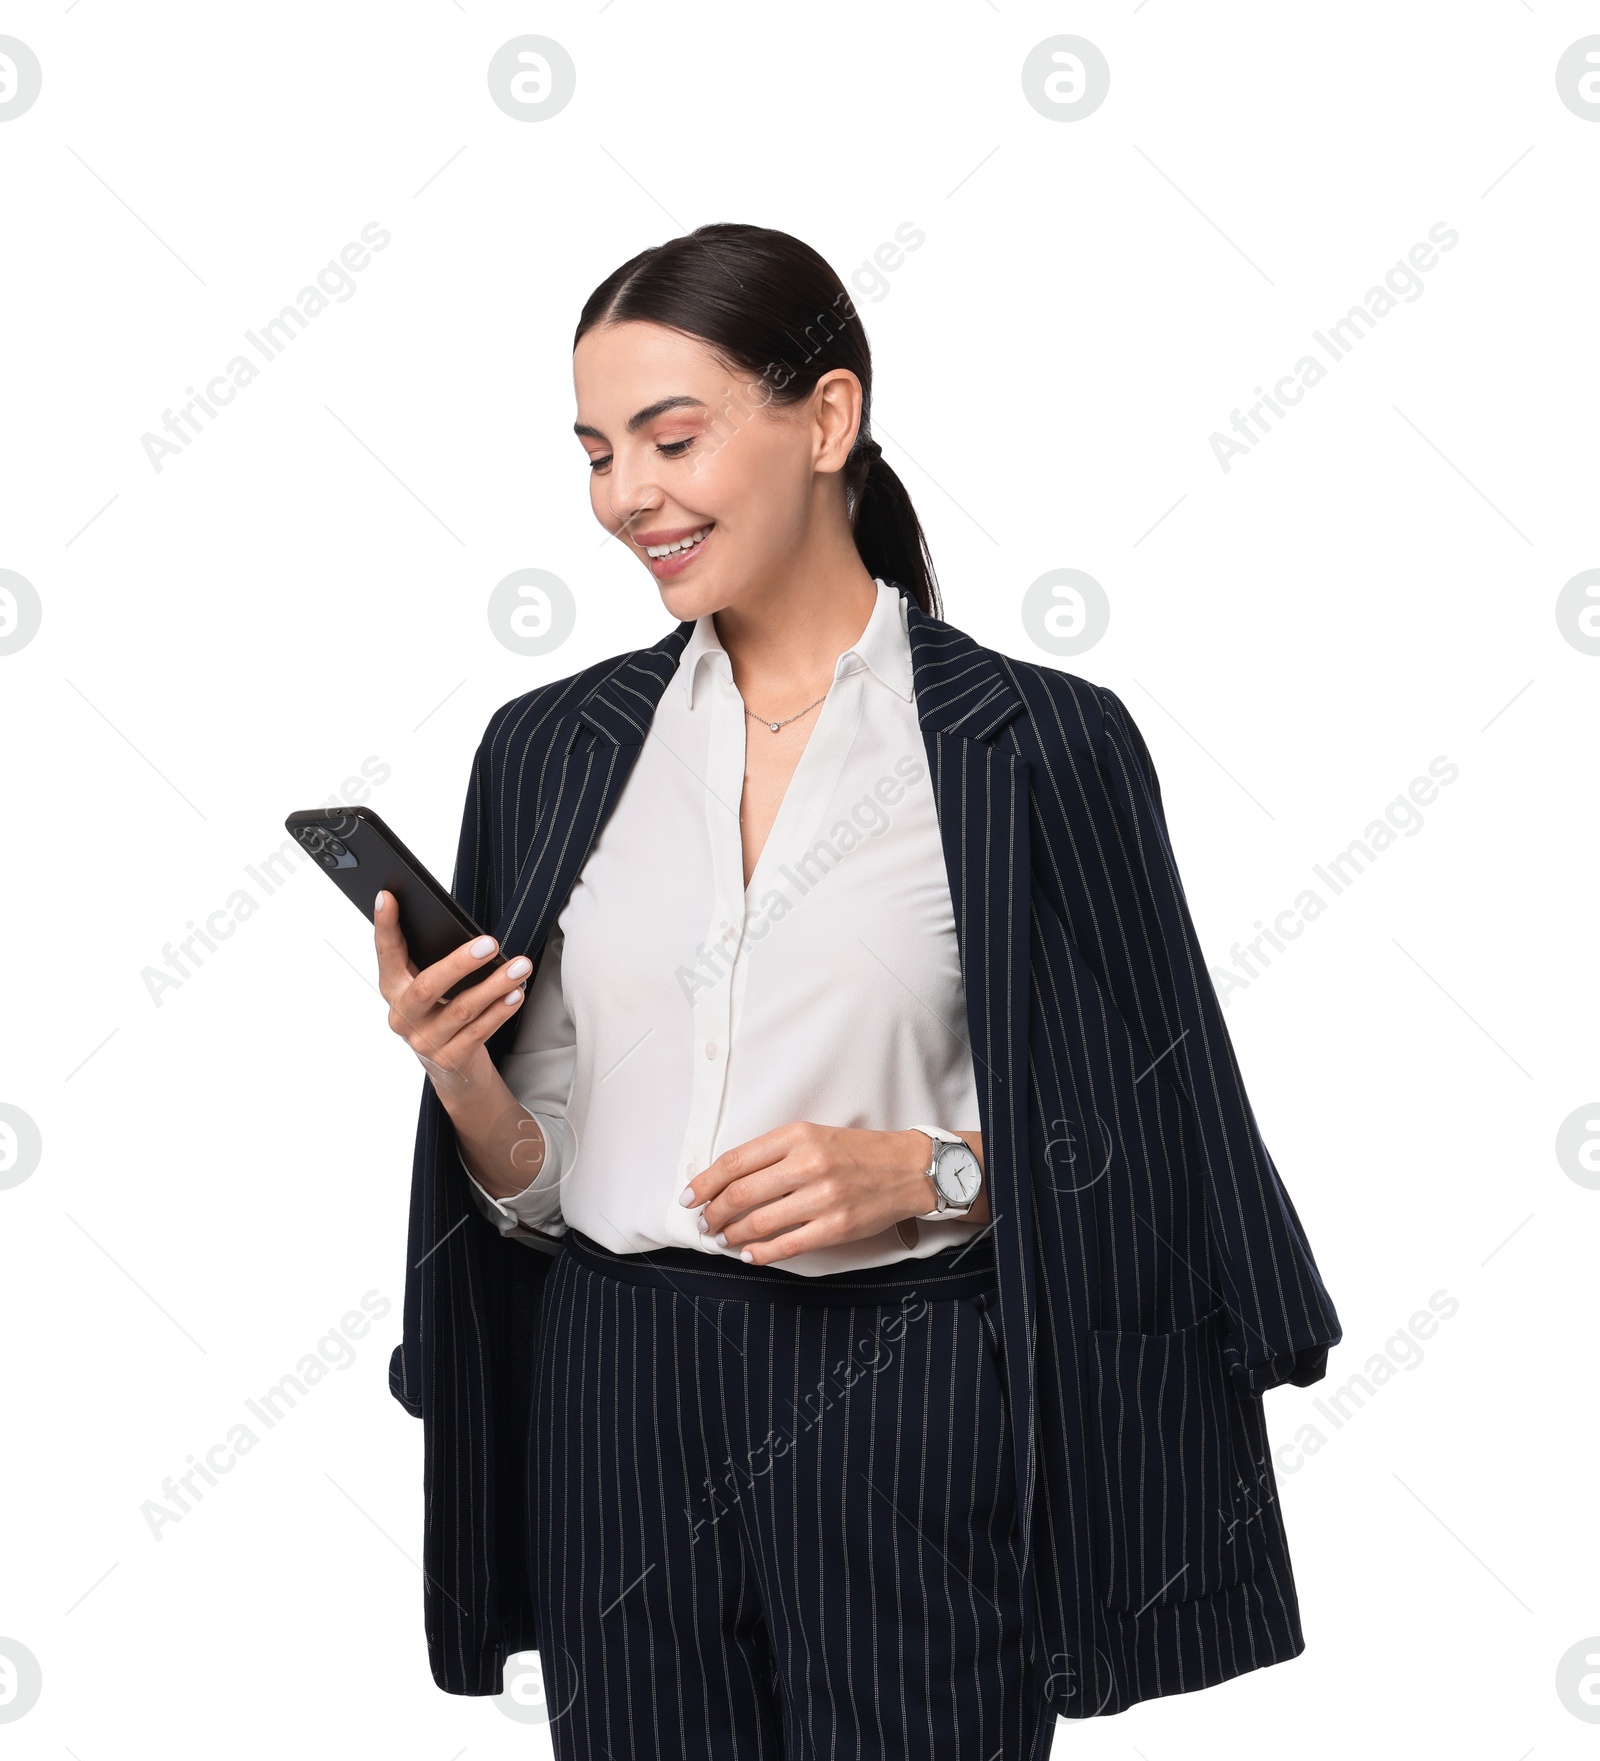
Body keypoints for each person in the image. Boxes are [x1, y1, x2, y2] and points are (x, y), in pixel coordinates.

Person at [378, 223, 1342, 1756]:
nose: (628, 496)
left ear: (828, 421)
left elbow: (1161, 1152)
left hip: (901, 1389)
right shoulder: (548, 746)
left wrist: (934, 1169)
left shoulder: (1035, 743)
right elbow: (540, 1180)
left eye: (672, 437)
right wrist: (464, 1082)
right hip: (613, 1396)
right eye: (594, 450)